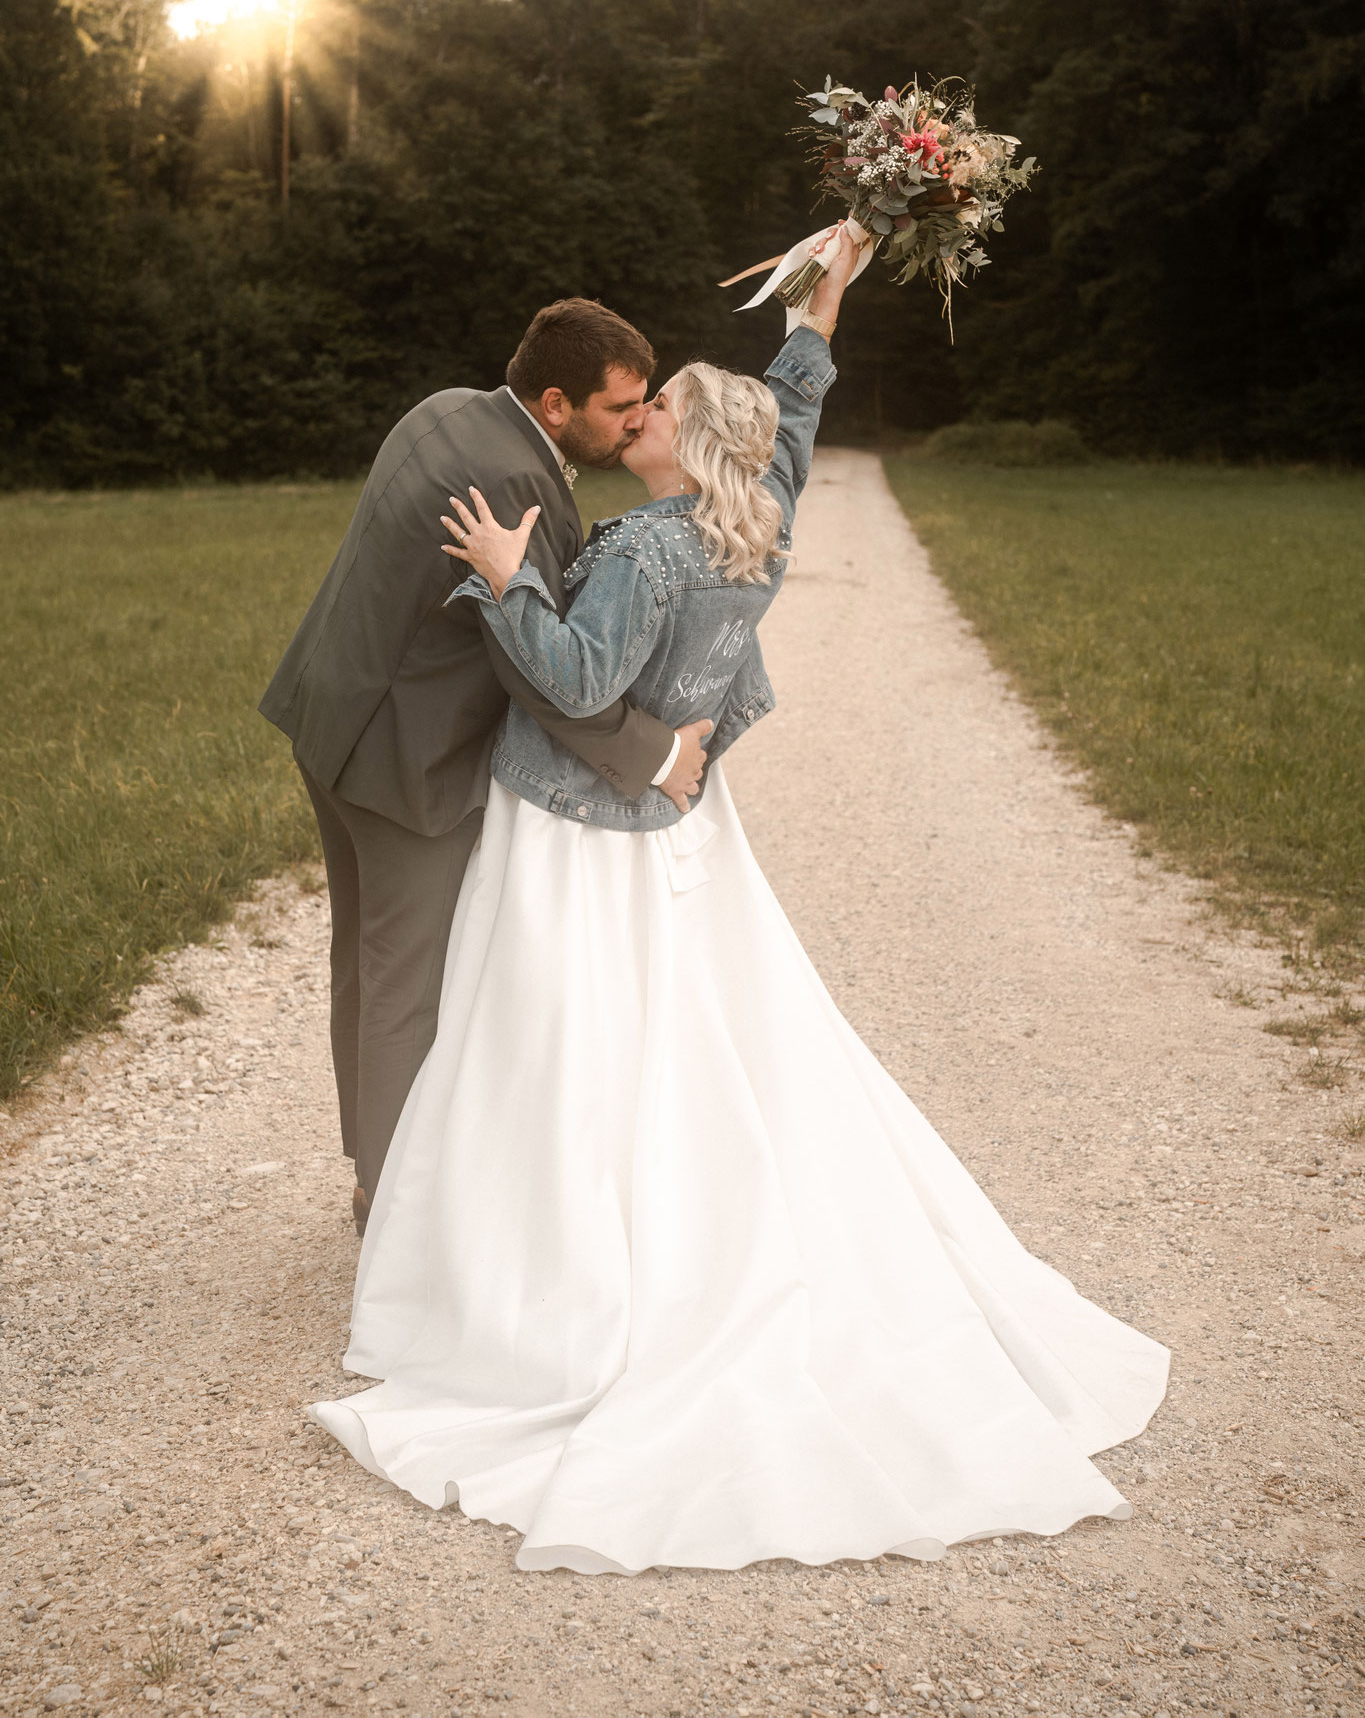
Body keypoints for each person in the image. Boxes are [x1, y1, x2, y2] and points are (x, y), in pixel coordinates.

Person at [309, 227, 1169, 1574]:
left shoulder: (652, 554)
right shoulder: (759, 514)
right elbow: (797, 409)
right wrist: (824, 298)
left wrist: (509, 585)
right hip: (674, 824)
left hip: (580, 828)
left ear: (683, 448)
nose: (639, 417)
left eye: (656, 410)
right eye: (634, 402)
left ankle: (517, 1246)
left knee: (553, 1033)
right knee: (649, 1026)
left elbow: (577, 682)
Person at [259, 301, 710, 1230]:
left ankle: (371, 1169)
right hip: (404, 756)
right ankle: (394, 1215)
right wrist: (655, 753)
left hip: (331, 714)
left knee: (364, 961)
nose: (636, 420)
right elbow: (543, 673)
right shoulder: (512, 481)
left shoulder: (450, 409)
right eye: (619, 405)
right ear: (555, 403)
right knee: (406, 985)